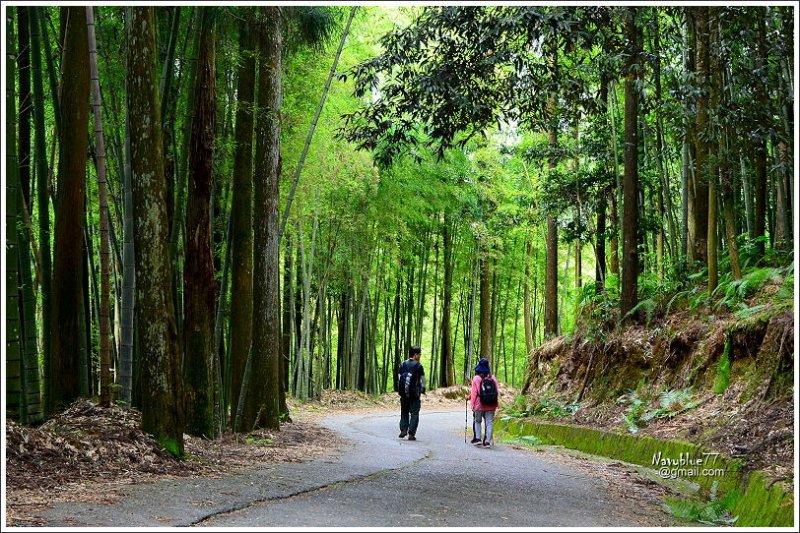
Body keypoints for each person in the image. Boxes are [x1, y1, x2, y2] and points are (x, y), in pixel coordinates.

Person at [396, 346, 426, 441]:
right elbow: (423, 379)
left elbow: (399, 378)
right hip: (414, 394)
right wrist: (423, 389)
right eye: (419, 354)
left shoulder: (402, 364)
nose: (420, 356)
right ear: (415, 354)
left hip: (404, 394)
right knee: (414, 413)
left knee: (404, 412)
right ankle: (411, 433)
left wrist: (401, 390)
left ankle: (403, 429)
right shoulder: (418, 366)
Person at [469, 357, 499, 448]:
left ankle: (478, 438)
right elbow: (496, 391)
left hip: (479, 404)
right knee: (489, 422)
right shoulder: (492, 378)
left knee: (477, 421)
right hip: (491, 404)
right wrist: (497, 403)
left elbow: (474, 393)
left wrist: (472, 404)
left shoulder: (476, 378)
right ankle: (487, 442)